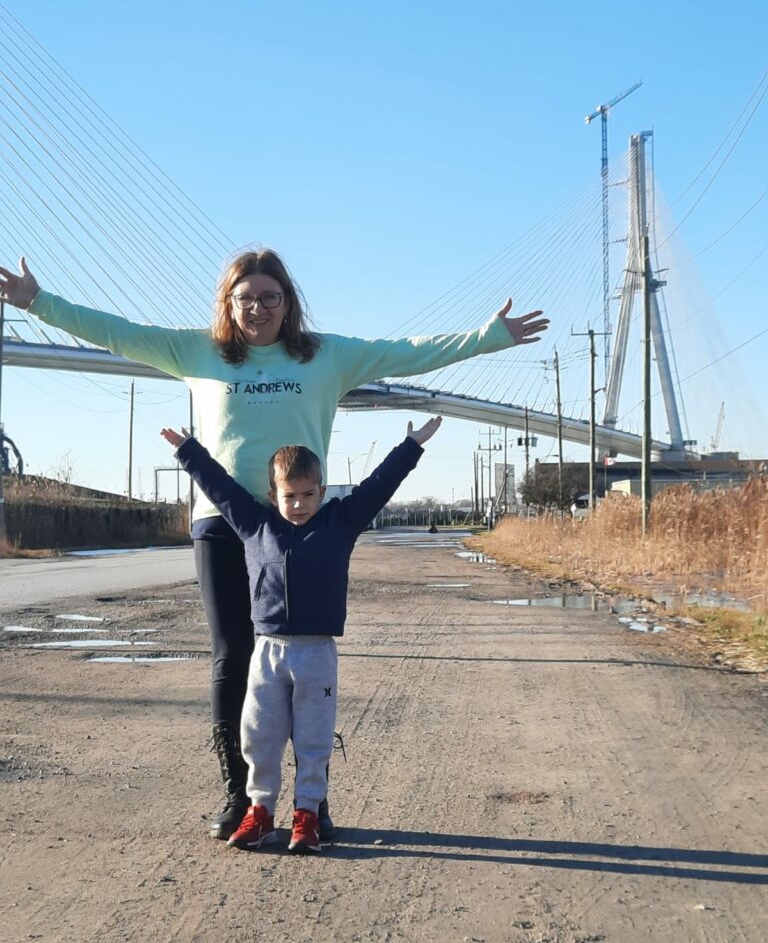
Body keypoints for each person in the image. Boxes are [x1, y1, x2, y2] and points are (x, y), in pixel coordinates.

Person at [0, 251, 550, 840]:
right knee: (233, 655)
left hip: (299, 524)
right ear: (228, 305)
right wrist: (38, 302)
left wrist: (490, 337)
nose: (258, 309)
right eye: (246, 299)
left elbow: (409, 351)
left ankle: (311, 802)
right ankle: (241, 795)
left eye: (270, 297)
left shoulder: (326, 355)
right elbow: (119, 334)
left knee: (305, 668)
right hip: (223, 519)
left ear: (288, 302)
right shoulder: (196, 352)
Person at [160, 415, 443, 853]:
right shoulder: (255, 525)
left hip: (317, 653)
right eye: (290, 496)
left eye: (309, 495)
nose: (299, 504)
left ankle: (307, 815)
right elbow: (220, 487)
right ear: (274, 495)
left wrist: (411, 446)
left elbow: (378, 486)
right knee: (259, 734)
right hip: (268, 652)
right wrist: (188, 451)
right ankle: (260, 813)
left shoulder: (339, 523)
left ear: (323, 492)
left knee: (313, 737)